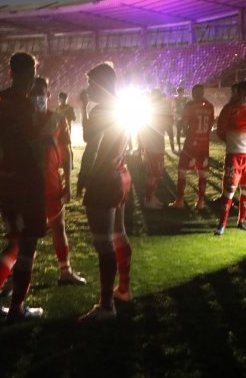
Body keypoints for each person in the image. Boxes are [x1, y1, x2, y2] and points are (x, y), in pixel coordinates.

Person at [0, 52, 45, 322]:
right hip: (25, 183)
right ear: (31, 74)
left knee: (14, 243)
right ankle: (17, 308)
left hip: (5, 180)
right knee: (27, 246)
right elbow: (34, 146)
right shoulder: (23, 106)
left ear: (10, 73)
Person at [76, 62, 133, 323]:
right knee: (118, 233)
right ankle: (123, 288)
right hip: (120, 173)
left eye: (91, 83)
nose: (88, 88)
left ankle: (107, 305)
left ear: (100, 84)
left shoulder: (101, 110)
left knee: (103, 241)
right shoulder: (122, 106)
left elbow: (91, 143)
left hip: (103, 179)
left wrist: (83, 177)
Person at [30, 77, 86, 286]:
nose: (37, 97)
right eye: (33, 93)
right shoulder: (21, 121)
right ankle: (12, 281)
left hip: (52, 183)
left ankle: (65, 271)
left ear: (48, 95)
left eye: (40, 93)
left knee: (58, 226)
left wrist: (68, 184)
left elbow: (68, 153)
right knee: (25, 235)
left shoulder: (57, 120)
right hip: (27, 187)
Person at [213, 80, 246, 235]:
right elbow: (220, 130)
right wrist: (233, 143)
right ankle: (222, 224)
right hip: (234, 156)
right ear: (240, 93)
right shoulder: (229, 109)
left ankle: (242, 221)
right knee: (229, 190)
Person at [168, 84, 215, 210]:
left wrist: (187, 127)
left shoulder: (190, 105)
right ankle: (200, 202)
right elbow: (210, 124)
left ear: (194, 93)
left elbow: (184, 123)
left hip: (191, 143)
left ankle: (180, 201)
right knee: (202, 173)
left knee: (182, 170)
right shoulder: (210, 106)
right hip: (204, 144)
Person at [140, 88, 171, 209]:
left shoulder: (154, 110)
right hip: (153, 147)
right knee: (152, 175)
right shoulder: (151, 111)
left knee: (154, 174)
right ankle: (149, 200)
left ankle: (152, 197)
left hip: (156, 146)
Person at [172, 85, 188, 153]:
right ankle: (179, 148)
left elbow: (188, 108)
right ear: (177, 92)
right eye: (179, 92)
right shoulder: (175, 99)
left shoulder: (185, 99)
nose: (180, 93)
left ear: (183, 92)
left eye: (181, 92)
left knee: (186, 133)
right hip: (178, 118)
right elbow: (172, 109)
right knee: (178, 133)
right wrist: (177, 116)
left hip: (184, 118)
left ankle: (186, 147)